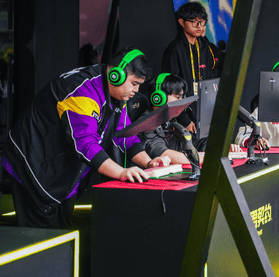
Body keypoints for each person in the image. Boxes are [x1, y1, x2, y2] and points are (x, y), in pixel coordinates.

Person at [2, 48, 167, 228]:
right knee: (40, 234)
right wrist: (121, 172)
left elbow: (124, 134)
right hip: (33, 162)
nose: (136, 90)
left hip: (61, 167)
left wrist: (148, 162)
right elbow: (85, 144)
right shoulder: (82, 91)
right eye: (134, 83)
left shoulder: (118, 95)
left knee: (62, 229)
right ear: (116, 75)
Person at [138, 73, 240, 163]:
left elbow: (194, 144)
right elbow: (161, 152)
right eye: (178, 97)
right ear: (159, 97)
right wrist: (202, 158)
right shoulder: (147, 122)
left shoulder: (170, 120)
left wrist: (221, 148)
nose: (181, 101)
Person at [162, 1, 224, 134]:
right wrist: (184, 120)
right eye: (194, 22)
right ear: (181, 22)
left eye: (202, 22)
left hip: (206, 113)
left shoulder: (206, 47)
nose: (199, 26)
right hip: (184, 117)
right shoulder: (174, 50)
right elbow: (170, 89)